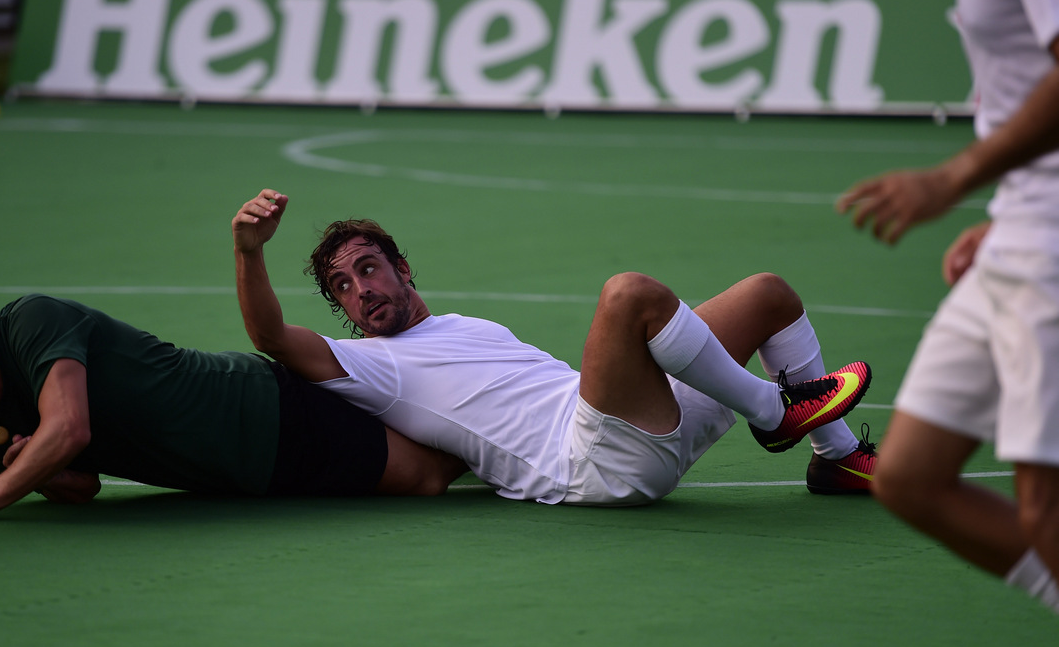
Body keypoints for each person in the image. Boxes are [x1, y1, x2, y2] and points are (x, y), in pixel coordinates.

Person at [232, 189, 874, 509]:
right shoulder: (370, 364)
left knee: (768, 294)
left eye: (368, 269)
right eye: (342, 287)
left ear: (403, 268)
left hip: (640, 422)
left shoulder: (462, 325)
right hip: (594, 464)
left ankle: (836, 459)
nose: (360, 291)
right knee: (627, 296)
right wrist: (249, 250)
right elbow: (269, 337)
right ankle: (772, 412)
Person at [0, 272, 466, 521]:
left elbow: (68, 429)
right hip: (239, 476)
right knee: (420, 450)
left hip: (258, 413)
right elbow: (81, 484)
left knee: (431, 474)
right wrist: (33, 470)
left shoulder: (31, 323)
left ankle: (481, 381)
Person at [836, 0, 1059, 614]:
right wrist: (1003, 213)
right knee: (909, 477)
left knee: (1046, 509)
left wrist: (950, 177)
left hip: (1049, 248)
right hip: (1023, 226)